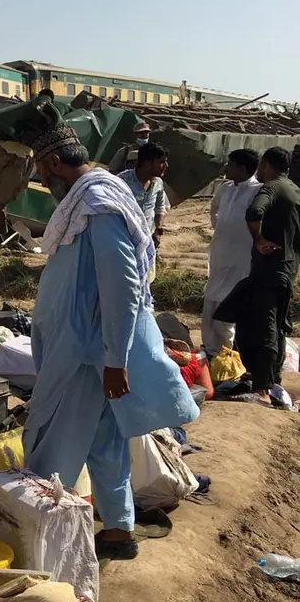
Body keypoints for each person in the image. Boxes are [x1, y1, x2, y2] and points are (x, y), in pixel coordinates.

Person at [22, 124, 198, 561]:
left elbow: (122, 285)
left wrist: (115, 360)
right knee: (106, 443)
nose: (42, 179)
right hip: (90, 353)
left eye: (42, 170)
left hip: (85, 355)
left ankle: (41, 544)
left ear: (56, 163)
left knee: (49, 448)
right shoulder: (94, 199)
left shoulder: (98, 205)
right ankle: (118, 531)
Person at [226, 147, 300, 406]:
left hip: (268, 271)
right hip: (287, 270)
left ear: (266, 164)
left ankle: (261, 391)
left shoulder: (271, 188)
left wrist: (258, 240)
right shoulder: (294, 190)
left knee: (263, 327)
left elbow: (255, 212)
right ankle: (272, 382)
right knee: (277, 328)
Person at [202, 149, 261, 355]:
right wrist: (222, 228)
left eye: (231, 165)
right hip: (220, 255)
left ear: (243, 169)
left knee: (228, 310)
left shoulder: (258, 191)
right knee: (210, 305)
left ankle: (227, 354)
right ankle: (211, 351)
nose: (226, 168)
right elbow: (214, 209)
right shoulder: (226, 188)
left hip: (241, 259)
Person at [118, 142, 170, 280]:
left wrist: (158, 230)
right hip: (125, 242)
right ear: (147, 163)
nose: (166, 166)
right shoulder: (122, 182)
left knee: (146, 280)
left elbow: (160, 207)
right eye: (161, 162)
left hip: (148, 241)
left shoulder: (158, 183)